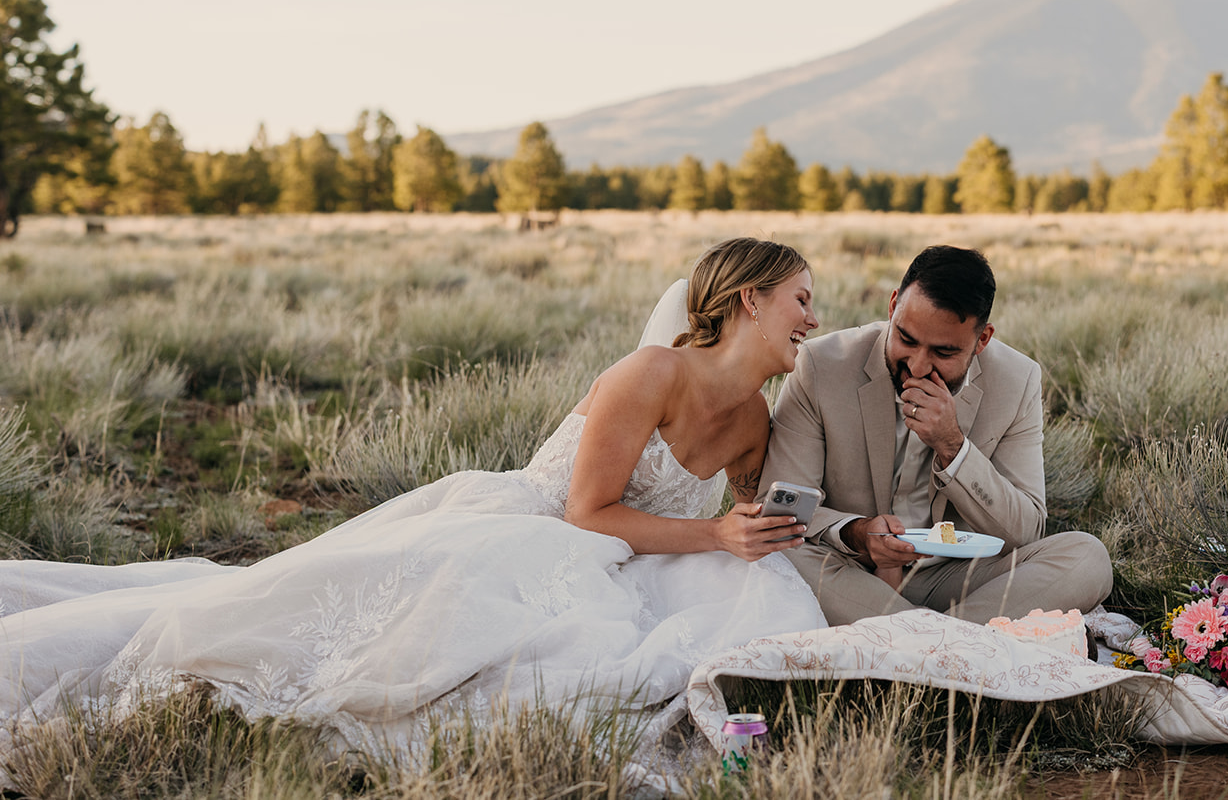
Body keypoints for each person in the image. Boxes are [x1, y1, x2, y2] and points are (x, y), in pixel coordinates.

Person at [0, 237, 827, 768]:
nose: (813, 318)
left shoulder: (756, 418)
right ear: (748, 298)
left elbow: (745, 522)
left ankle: (747, 726)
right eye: (801, 298)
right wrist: (713, 529)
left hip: (633, 556)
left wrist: (757, 530)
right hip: (539, 527)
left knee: (733, 604)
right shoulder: (651, 374)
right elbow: (585, 512)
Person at [762, 245, 1112, 626]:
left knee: (1087, 558)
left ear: (982, 340)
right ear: (893, 305)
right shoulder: (821, 365)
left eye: (943, 352)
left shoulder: (1017, 380)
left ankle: (913, 639)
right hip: (850, 572)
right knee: (779, 554)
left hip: (958, 579)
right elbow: (782, 505)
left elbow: (1025, 530)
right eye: (907, 339)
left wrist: (953, 446)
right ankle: (960, 640)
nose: (917, 365)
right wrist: (858, 533)